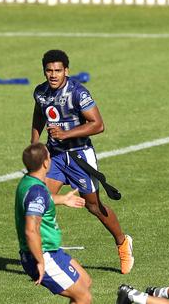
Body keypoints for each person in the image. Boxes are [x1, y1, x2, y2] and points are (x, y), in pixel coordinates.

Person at [31, 49, 134, 274]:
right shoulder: (40, 92)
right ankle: (44, 257)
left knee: (93, 206)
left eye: (58, 70)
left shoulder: (78, 92)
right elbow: (39, 114)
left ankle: (122, 242)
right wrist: (35, 143)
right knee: (42, 201)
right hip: (55, 157)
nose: (53, 75)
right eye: (49, 71)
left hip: (79, 156)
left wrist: (65, 134)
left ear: (66, 71)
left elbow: (98, 124)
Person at [15, 142, 92, 303]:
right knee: (83, 297)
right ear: (45, 163)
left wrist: (63, 199)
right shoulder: (37, 192)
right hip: (42, 255)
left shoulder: (29, 181)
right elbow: (31, 230)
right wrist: (41, 262)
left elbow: (41, 201)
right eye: (49, 156)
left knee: (85, 282)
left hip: (51, 251)